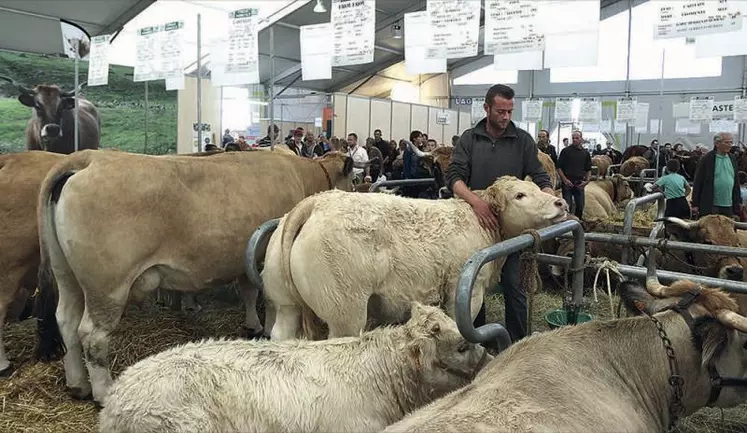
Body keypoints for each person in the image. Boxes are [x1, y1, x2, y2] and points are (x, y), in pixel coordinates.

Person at [445, 83, 554, 344]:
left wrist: (548, 197)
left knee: (515, 285)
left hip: (513, 226)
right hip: (478, 225)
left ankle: (517, 345)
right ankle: (477, 341)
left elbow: (539, 175)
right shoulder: (470, 138)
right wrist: (477, 203)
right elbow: (454, 178)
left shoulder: (522, 140)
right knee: (473, 284)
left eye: (509, 111)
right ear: (487, 108)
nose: (505, 117)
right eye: (500, 111)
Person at [692, 132, 742, 218]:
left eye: (731, 142)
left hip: (728, 204)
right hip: (711, 204)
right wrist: (695, 203)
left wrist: (738, 202)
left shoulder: (732, 158)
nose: (730, 145)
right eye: (726, 142)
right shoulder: (706, 159)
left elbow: (736, 182)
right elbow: (698, 181)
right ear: (717, 143)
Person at [556, 130, 592, 220]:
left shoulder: (585, 153)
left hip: (579, 183)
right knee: (567, 206)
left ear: (581, 139)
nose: (574, 140)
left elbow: (588, 169)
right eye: (573, 138)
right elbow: (559, 167)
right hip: (567, 183)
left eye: (577, 138)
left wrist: (587, 181)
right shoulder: (565, 151)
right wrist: (564, 180)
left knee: (580, 206)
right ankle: (566, 226)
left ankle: (577, 223)